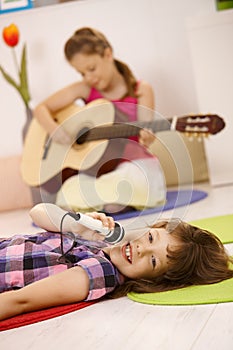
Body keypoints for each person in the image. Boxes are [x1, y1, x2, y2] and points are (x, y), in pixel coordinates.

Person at [0, 203, 233, 321]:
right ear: (155, 226)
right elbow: (38, 212)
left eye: (153, 261)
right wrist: (74, 224)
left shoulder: (103, 272)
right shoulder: (103, 239)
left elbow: (22, 300)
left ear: (155, 280)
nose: (141, 248)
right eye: (151, 237)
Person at [33, 26, 166, 214]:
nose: (88, 77)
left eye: (91, 68)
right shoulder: (86, 89)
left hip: (133, 163)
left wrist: (147, 137)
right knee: (72, 187)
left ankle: (103, 204)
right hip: (99, 169)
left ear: (108, 54)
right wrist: (55, 129)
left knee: (127, 181)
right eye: (81, 73)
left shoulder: (141, 90)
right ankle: (106, 204)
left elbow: (146, 133)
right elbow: (41, 108)